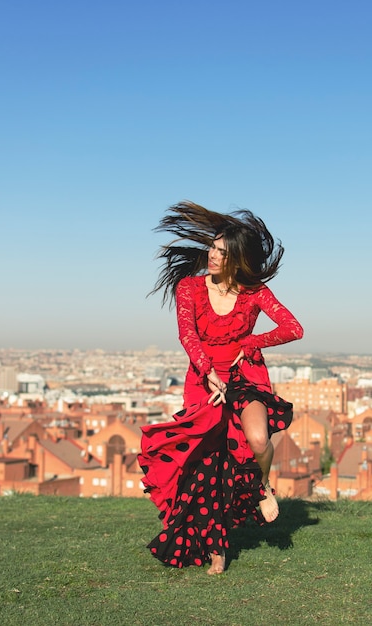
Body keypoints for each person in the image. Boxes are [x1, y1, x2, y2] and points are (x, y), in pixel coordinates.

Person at [138, 201, 303, 574]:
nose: (212, 256)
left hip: (246, 377)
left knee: (258, 440)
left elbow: (294, 328)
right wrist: (208, 369)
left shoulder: (254, 292)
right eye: (212, 248)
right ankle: (217, 549)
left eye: (221, 252)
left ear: (237, 259)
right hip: (204, 379)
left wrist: (251, 344)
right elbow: (187, 334)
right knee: (210, 467)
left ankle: (262, 485)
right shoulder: (190, 287)